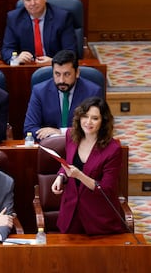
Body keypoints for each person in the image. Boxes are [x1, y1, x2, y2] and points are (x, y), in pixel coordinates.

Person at [51, 97, 126, 235]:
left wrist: (80, 175)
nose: (88, 122)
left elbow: (106, 189)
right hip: (71, 214)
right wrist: (61, 176)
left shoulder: (113, 149)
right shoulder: (71, 135)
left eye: (95, 118)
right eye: (85, 116)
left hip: (98, 217)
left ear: (103, 121)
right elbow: (69, 163)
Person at [24, 50, 102, 141]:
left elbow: (97, 128)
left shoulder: (92, 92)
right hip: (49, 146)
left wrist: (62, 132)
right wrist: (54, 138)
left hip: (81, 146)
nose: (61, 80)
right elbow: (29, 129)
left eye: (67, 74)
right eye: (57, 74)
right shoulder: (40, 91)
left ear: (77, 73)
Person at [1, 0, 77, 65]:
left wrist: (54, 61)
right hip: (27, 68)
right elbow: (7, 49)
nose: (32, 3)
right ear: (23, 1)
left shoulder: (62, 18)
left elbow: (70, 52)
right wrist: (17, 58)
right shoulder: (14, 18)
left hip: (56, 69)